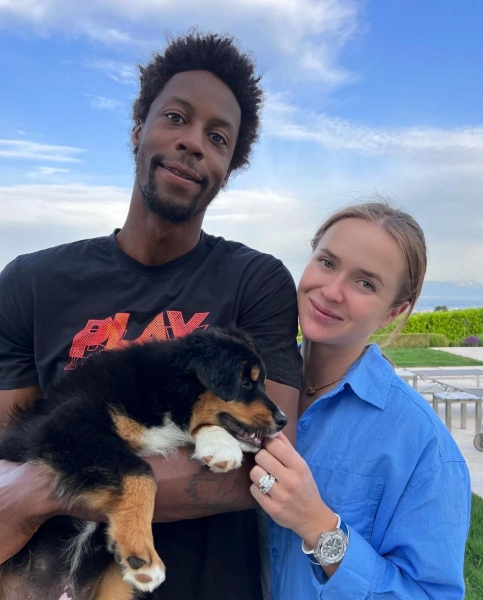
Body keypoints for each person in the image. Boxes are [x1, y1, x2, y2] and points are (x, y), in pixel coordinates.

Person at [0, 33, 301, 600]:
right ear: (138, 129)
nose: (192, 142)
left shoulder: (255, 282)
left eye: (217, 137)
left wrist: (41, 488)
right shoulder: (30, 283)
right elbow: (9, 449)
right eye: (175, 117)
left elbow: (266, 463)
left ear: (229, 167)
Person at [250, 201, 471, 599]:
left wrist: (318, 526)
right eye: (327, 263)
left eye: (365, 284)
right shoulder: (249, 388)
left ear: (394, 312)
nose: (332, 292)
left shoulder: (423, 445)